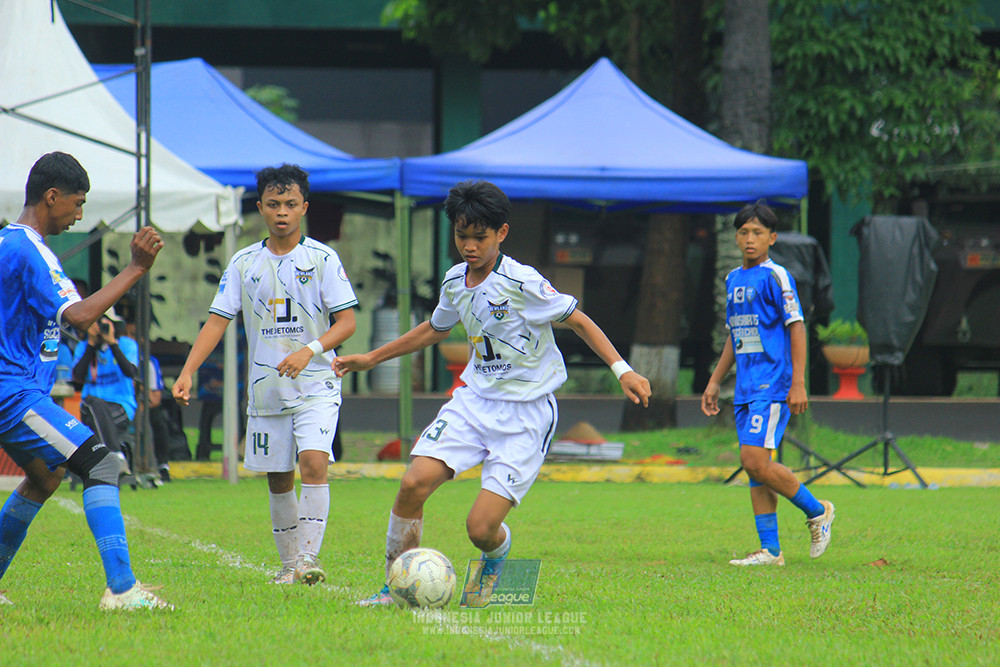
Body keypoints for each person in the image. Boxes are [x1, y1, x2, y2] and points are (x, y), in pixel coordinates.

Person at [334, 180, 652, 607]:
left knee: (479, 529)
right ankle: (396, 587)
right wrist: (373, 358)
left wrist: (623, 370)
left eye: (479, 237)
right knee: (413, 483)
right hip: (474, 402)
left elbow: (578, 320)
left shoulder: (522, 282)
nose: (469, 245)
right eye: (461, 235)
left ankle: (497, 559)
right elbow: (435, 328)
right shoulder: (454, 281)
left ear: (501, 233)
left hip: (526, 414)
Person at [172, 164, 357, 586]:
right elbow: (217, 321)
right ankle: (289, 565)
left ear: (304, 208)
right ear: (260, 208)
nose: (282, 213)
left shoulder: (323, 258)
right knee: (278, 477)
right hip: (266, 390)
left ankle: (308, 559)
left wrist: (308, 351)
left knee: (313, 462)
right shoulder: (243, 263)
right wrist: (187, 372)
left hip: (316, 384)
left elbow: (346, 323)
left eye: (291, 204)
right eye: (273, 205)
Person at [0, 151, 171, 609]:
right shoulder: (28, 249)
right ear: (51, 197)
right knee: (101, 464)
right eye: (77, 204)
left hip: (17, 390)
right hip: (12, 394)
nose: (80, 215)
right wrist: (135, 269)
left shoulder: (9, 244)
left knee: (44, 478)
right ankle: (121, 589)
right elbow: (78, 317)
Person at [701, 201, 836, 567]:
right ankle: (771, 550)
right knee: (755, 467)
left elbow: (796, 326)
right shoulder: (732, 279)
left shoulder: (776, 276)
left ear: (771, 238)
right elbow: (735, 335)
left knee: (754, 459)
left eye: (757, 232)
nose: (749, 239)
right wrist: (715, 381)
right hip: (745, 386)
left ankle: (818, 511)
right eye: (743, 232)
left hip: (773, 384)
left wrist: (799, 382)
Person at [71, 307, 139, 480]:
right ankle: (117, 456)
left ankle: (109, 460)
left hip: (120, 406)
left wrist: (112, 343)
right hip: (91, 408)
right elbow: (77, 377)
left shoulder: (127, 344)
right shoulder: (84, 347)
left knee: (93, 404)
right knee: (92, 403)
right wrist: (91, 345)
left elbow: (131, 372)